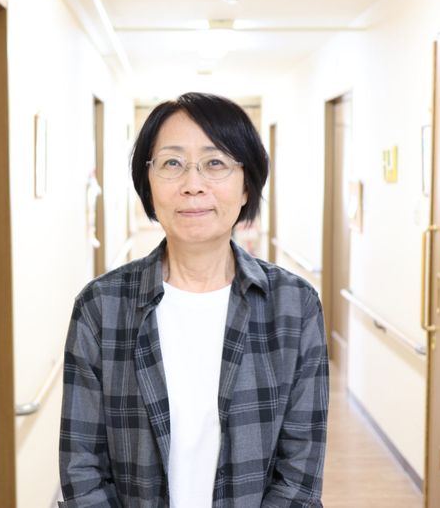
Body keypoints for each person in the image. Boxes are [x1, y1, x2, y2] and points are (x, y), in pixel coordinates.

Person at [59, 92, 329, 507]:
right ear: (148, 184)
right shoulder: (101, 307)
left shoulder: (294, 306)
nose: (193, 185)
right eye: (172, 163)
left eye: (215, 163)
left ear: (246, 186)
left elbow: (299, 474)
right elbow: (82, 469)